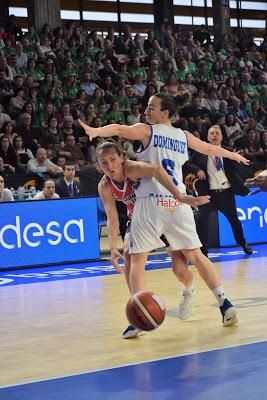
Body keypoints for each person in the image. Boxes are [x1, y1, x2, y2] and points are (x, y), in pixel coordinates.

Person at [79, 93, 250, 327]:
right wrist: (232, 154)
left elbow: (120, 129)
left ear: (165, 113)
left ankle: (139, 315)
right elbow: (209, 148)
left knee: (145, 261)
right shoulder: (183, 135)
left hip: (152, 201)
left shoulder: (148, 131)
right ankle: (224, 302)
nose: (146, 112)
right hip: (177, 202)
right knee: (193, 256)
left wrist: (97, 131)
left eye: (151, 108)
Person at [96, 140, 210, 338]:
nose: (109, 166)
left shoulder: (134, 169)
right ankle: (137, 310)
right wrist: (113, 246)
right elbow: (112, 217)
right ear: (98, 165)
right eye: (103, 162)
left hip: (164, 211)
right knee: (128, 254)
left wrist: (182, 197)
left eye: (112, 160)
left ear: (122, 158)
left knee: (180, 269)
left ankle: (189, 290)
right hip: (139, 218)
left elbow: (158, 171)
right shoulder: (105, 185)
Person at [185, 125, 252, 256]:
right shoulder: (200, 152)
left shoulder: (229, 152)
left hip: (226, 194)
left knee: (235, 222)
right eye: (212, 133)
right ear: (208, 137)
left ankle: (242, 243)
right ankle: (203, 252)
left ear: (221, 137)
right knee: (202, 222)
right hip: (208, 195)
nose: (214, 135)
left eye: (217, 133)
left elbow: (238, 171)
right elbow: (187, 164)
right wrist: (197, 170)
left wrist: (236, 160)